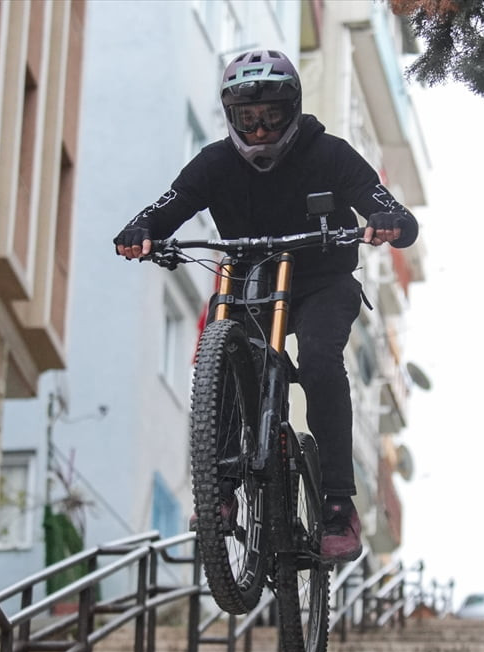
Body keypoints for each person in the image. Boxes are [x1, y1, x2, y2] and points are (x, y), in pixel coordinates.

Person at [114, 50, 418, 563]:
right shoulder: (214, 163)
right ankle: (223, 491)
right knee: (228, 362)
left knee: (321, 362)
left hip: (321, 280)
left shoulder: (331, 154)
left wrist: (388, 222)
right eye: (247, 119)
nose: (259, 130)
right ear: (231, 118)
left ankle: (339, 507)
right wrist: (141, 232)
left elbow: (387, 206)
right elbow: (168, 205)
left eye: (271, 116)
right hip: (249, 279)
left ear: (293, 109)